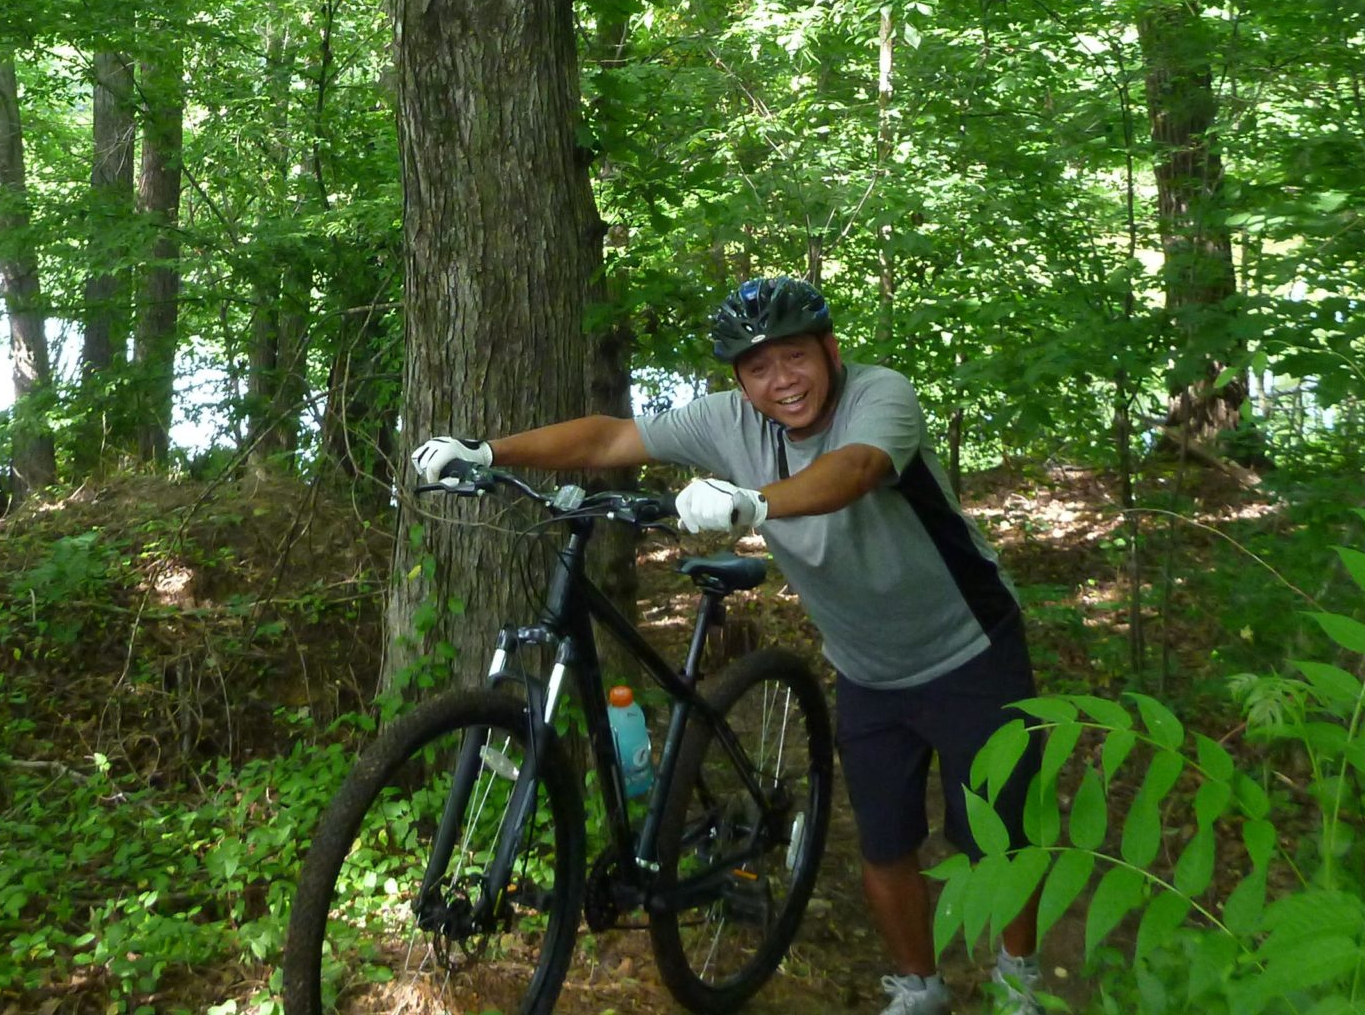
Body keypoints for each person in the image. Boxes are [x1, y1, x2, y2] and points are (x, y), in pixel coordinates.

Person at [411, 275, 1044, 1015]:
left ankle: (1018, 982)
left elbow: (857, 470)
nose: (783, 381)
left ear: (831, 351)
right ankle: (920, 986)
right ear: (740, 381)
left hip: (970, 645)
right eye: (758, 368)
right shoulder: (729, 422)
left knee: (996, 837)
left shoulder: (882, 397)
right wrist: (488, 451)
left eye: (796, 357)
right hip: (868, 667)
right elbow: (610, 436)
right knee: (885, 842)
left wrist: (756, 501)